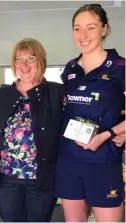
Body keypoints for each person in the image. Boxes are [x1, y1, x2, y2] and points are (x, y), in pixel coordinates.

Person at [55, 4, 125, 222]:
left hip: (103, 162)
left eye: (91, 28)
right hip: (69, 161)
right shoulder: (70, 68)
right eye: (77, 28)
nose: (83, 35)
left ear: (104, 29)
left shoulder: (120, 67)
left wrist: (109, 134)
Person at [0, 38, 65, 222]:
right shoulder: (3, 94)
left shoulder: (56, 93)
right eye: (19, 60)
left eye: (31, 58)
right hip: (7, 179)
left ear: (41, 60)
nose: (24, 65)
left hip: (41, 179)